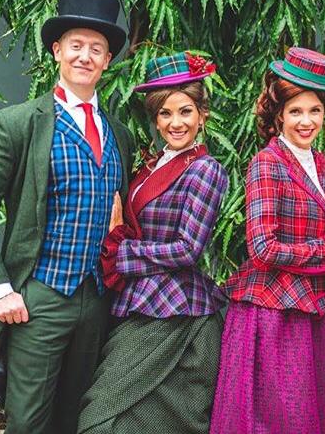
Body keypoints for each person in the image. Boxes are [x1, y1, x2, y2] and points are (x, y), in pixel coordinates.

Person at [0, 0, 134, 434]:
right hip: (39, 297)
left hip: (96, 301)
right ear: (57, 50)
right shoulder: (19, 124)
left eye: (97, 48)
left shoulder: (120, 134)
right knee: (29, 421)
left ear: (107, 60)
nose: (85, 56)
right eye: (76, 45)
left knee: (75, 418)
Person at [210, 47, 325, 434]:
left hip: (316, 307)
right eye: (296, 111)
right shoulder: (267, 162)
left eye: (315, 110)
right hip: (274, 312)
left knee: (315, 416)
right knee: (279, 419)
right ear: (279, 113)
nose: (306, 120)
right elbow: (263, 248)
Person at [77, 51, 228, 434]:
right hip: (138, 300)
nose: (176, 123)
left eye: (186, 112)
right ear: (155, 118)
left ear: (202, 115)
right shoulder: (152, 163)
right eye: (165, 113)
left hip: (177, 308)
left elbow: (188, 249)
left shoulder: (205, 170)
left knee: (107, 417)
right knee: (114, 414)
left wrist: (121, 251)